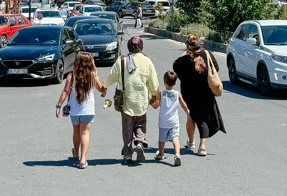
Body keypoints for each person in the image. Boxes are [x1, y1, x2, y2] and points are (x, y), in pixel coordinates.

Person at [102, 36, 160, 164]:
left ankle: (128, 154)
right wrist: (154, 94)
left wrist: (104, 86)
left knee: (127, 128)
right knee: (140, 124)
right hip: (141, 100)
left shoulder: (121, 60)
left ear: (128, 47)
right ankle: (139, 143)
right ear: (141, 47)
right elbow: (154, 85)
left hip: (126, 100)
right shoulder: (147, 61)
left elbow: (112, 76)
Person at [173, 35, 226, 157]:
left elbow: (175, 67)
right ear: (199, 43)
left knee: (191, 116)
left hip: (189, 93)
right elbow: (215, 68)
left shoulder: (184, 59)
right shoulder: (206, 54)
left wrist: (184, 55)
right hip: (205, 91)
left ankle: (191, 142)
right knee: (204, 118)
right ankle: (202, 147)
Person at [56, 53, 106, 169]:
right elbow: (100, 88)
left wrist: (59, 106)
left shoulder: (72, 76)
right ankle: (83, 159)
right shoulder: (92, 75)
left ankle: (76, 153)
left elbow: (65, 91)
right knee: (85, 133)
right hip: (88, 109)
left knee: (76, 132)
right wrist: (104, 90)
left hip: (75, 110)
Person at [155, 71, 189, 167]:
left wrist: (151, 102)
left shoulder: (161, 94)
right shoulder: (177, 94)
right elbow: (183, 105)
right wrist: (187, 111)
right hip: (174, 122)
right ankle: (177, 154)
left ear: (164, 82)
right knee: (175, 138)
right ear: (175, 83)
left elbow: (156, 105)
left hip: (163, 122)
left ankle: (161, 154)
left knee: (162, 140)